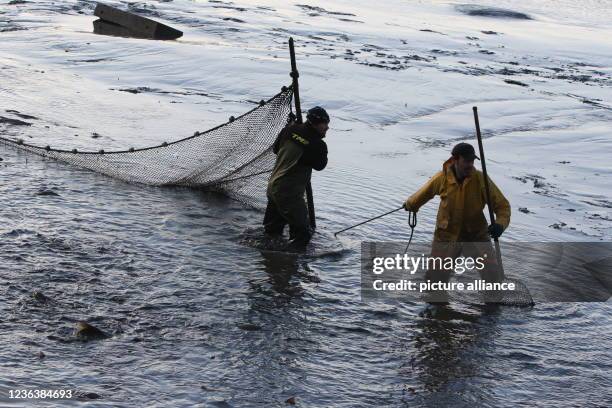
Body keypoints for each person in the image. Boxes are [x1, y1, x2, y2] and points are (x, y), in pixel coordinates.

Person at [403, 142, 511, 301]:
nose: (470, 165)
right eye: (466, 161)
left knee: (493, 279)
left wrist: (500, 225)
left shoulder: (481, 179)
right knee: (435, 283)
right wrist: (410, 205)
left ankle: (491, 313)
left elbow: (503, 206)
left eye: (472, 161)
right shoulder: (442, 178)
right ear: (455, 160)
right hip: (446, 236)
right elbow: (422, 195)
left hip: (476, 235)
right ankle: (437, 315)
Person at [263, 106, 329, 250]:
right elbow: (320, 165)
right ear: (316, 123)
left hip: (273, 187)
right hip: (289, 194)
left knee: (272, 232)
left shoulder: (288, 130)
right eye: (325, 124)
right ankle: (288, 264)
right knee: (303, 234)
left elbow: (275, 150)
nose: (327, 128)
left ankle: (269, 259)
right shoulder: (318, 145)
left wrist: (296, 132)